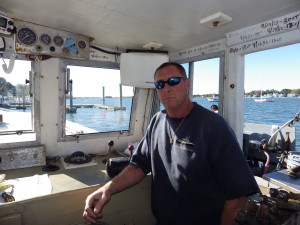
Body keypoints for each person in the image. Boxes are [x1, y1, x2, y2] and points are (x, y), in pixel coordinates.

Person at [83, 62, 259, 225]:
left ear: (187, 84)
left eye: (173, 81)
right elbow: (138, 166)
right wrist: (107, 189)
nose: (166, 88)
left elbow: (238, 194)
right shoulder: (157, 121)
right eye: (160, 84)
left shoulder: (213, 126)